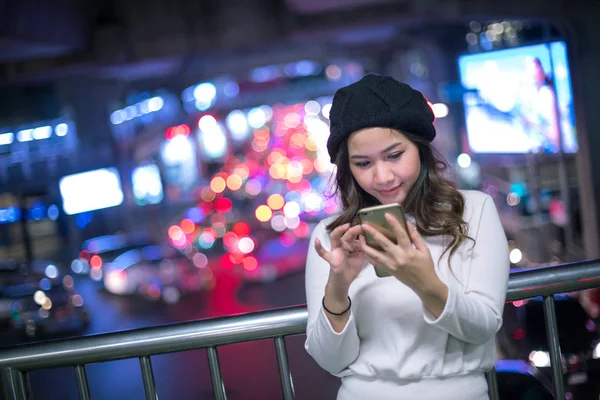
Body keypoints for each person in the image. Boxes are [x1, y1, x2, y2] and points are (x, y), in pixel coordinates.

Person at [304, 74, 510, 400]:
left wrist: (423, 281)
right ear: (348, 169)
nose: (382, 176)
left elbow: (482, 327)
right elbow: (330, 361)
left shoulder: (473, 210)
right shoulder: (334, 235)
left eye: (394, 155)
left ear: (420, 148)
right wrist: (338, 286)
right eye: (363, 163)